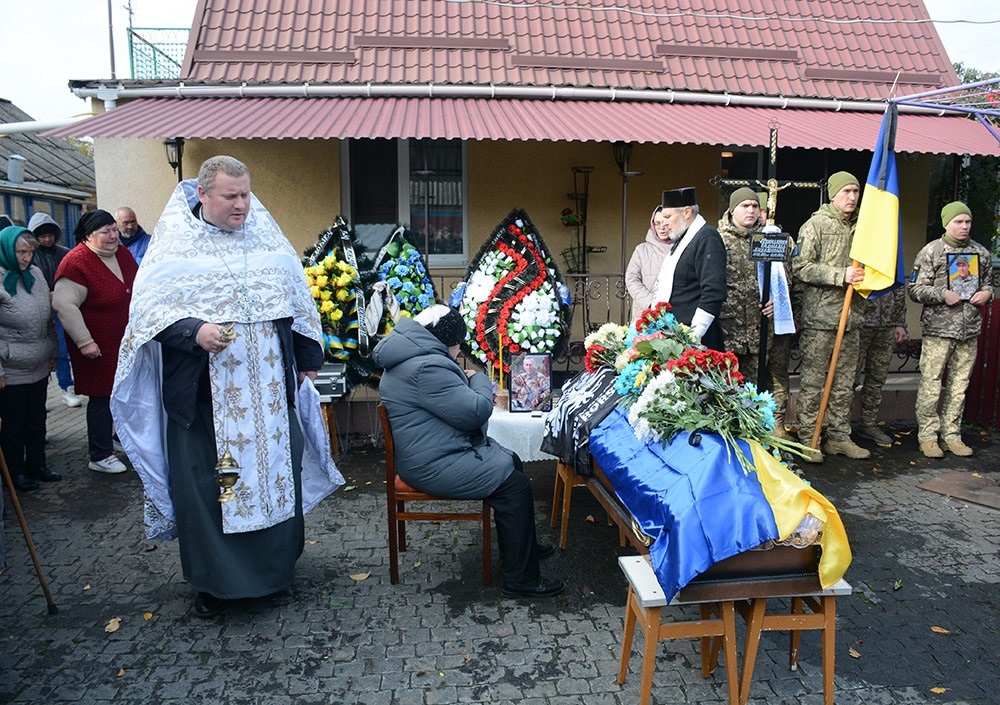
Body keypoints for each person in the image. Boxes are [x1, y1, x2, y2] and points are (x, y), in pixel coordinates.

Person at [111, 155, 344, 619]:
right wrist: (193, 331)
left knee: (276, 478)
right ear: (203, 194)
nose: (242, 205)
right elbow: (148, 318)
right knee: (216, 489)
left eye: (246, 195)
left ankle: (274, 573)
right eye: (230, 197)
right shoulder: (173, 250)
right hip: (204, 402)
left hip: (270, 402)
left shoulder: (266, 239)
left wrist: (308, 360)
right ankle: (214, 584)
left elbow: (296, 303)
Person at [372, 304, 563, 598]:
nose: (460, 351)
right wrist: (479, 379)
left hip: (432, 453)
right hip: (433, 464)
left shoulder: (411, 356)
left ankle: (522, 548)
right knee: (514, 486)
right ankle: (520, 579)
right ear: (444, 341)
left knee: (511, 461)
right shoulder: (425, 367)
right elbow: (476, 411)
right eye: (458, 344)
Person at [790, 171, 869, 463]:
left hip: (852, 318)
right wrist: (840, 275)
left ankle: (839, 437)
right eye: (846, 191)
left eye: (856, 192)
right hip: (822, 318)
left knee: (845, 382)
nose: (852, 197)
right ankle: (810, 438)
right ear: (833, 194)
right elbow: (801, 267)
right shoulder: (815, 226)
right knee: (813, 381)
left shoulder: (864, 227)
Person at [53, 210, 137, 474]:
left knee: (125, 393)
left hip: (124, 341)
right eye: (106, 232)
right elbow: (64, 304)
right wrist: (84, 341)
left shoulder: (122, 254)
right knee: (102, 397)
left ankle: (120, 437)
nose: (113, 236)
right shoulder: (76, 262)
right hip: (96, 345)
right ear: (89, 235)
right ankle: (100, 454)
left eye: (114, 229)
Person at [907, 201, 993, 458]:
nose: (964, 226)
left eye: (967, 222)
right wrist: (941, 294)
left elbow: (988, 283)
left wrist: (986, 294)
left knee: (959, 385)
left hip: (969, 331)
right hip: (939, 330)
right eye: (958, 222)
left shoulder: (981, 253)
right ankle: (928, 436)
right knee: (932, 384)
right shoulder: (931, 251)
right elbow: (914, 289)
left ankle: (952, 434)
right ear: (947, 223)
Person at [0, 226, 59, 491]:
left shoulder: (35, 275)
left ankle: (38, 465)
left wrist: (52, 353)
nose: (26, 258)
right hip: (11, 368)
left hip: (38, 363)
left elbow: (48, 319)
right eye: (21, 252)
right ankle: (16, 472)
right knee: (13, 423)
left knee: (36, 418)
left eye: (30, 252)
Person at [649, 187, 728, 349]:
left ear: (686, 212)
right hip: (674, 335)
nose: (664, 223)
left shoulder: (707, 238)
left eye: (668, 216)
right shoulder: (683, 237)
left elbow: (713, 291)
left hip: (696, 339)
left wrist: (692, 337)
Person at [27, 213, 83, 408]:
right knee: (41, 351)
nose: (47, 239)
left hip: (62, 307)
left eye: (50, 235)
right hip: (38, 309)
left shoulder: (64, 253)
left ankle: (67, 387)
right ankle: (40, 393)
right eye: (43, 236)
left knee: (62, 349)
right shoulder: (30, 255)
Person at [853, 289, 907, 447]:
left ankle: (868, 424)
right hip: (860, 322)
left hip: (887, 325)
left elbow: (898, 288)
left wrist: (900, 322)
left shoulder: (893, 263)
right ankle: (840, 430)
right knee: (849, 379)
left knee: (877, 379)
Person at [625, 206, 673, 322]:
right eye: (657, 223)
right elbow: (631, 279)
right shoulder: (642, 250)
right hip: (645, 314)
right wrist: (650, 303)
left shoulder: (684, 249)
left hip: (674, 313)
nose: (661, 227)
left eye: (666, 223)